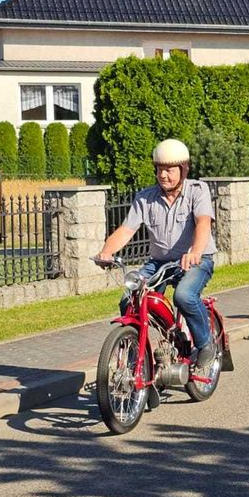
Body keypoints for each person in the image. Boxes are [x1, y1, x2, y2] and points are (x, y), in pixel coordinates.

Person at [95, 139, 218, 372]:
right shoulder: (145, 197)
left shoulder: (197, 191)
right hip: (159, 263)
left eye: (170, 170)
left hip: (195, 260)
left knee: (184, 296)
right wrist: (107, 251)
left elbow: (203, 223)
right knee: (130, 299)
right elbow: (126, 230)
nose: (163, 175)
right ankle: (148, 354)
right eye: (160, 169)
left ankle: (204, 345)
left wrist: (195, 252)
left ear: (184, 170)